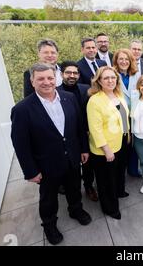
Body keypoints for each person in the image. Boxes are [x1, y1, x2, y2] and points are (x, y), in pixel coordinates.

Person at [11, 63, 92, 245]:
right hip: (46, 164)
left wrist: (84, 149)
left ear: (56, 78)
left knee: (74, 187)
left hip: (72, 156)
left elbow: (79, 128)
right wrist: (31, 171)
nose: (46, 82)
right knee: (48, 198)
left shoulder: (69, 98)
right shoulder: (22, 110)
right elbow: (20, 144)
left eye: (49, 78)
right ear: (32, 81)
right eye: (40, 79)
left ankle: (75, 209)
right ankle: (49, 225)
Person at [87, 66, 130, 220]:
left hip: (122, 140)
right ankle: (110, 208)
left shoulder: (118, 94)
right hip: (106, 148)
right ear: (99, 81)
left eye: (113, 77)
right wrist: (106, 149)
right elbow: (95, 129)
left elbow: (124, 117)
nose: (110, 80)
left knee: (119, 171)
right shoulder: (95, 101)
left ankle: (119, 191)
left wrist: (127, 135)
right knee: (106, 180)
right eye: (106, 78)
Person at [56, 61, 98, 201]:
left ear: (79, 75)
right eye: (68, 73)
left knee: (88, 163)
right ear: (62, 74)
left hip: (86, 132)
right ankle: (72, 191)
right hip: (68, 136)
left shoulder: (86, 88)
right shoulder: (56, 92)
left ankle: (88, 186)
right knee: (71, 166)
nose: (72, 75)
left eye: (75, 73)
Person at [112, 48, 140, 177]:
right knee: (123, 143)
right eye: (121, 59)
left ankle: (133, 169)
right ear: (116, 61)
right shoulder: (112, 75)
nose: (124, 61)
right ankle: (120, 172)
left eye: (126, 59)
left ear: (131, 61)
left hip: (135, 114)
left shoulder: (136, 74)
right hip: (119, 114)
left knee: (134, 143)